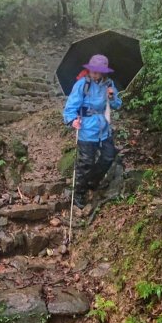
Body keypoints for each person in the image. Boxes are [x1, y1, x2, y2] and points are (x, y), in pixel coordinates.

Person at [63, 54, 122, 209]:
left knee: (109, 156)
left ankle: (92, 181)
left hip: (103, 128)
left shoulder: (109, 84)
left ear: (103, 72)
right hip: (86, 128)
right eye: (92, 70)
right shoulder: (83, 84)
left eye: (98, 71)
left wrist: (112, 95)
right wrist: (72, 119)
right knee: (86, 163)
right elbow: (70, 107)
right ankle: (79, 193)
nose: (95, 73)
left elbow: (117, 105)